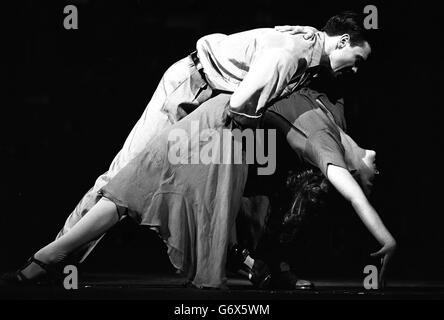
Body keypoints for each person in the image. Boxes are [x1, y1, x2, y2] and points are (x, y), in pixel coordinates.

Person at [1, 86, 396, 289]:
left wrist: (384, 237)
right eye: (371, 174)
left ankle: (43, 261)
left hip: (225, 131)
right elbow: (353, 192)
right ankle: (45, 259)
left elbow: (350, 191)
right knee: (138, 190)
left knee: (136, 192)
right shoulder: (335, 123)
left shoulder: (327, 142)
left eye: (368, 175)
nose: (376, 169)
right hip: (221, 123)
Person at [55, 11, 371, 264]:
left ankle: (250, 260)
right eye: (358, 60)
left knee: (232, 186)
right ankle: (58, 256)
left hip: (210, 95)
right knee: (125, 173)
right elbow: (237, 104)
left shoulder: (311, 43)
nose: (357, 71)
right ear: (343, 41)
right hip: (192, 86)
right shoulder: (292, 54)